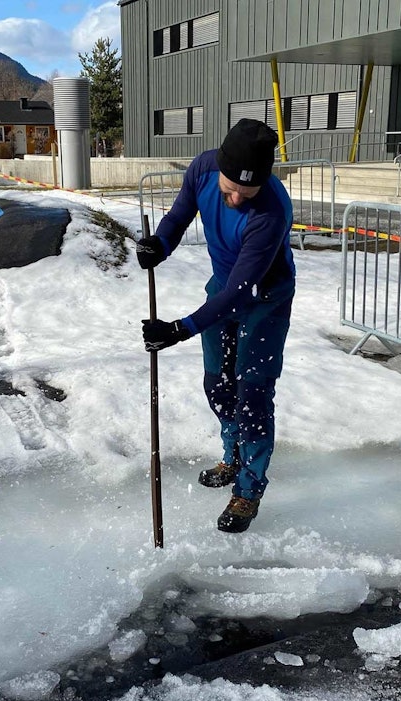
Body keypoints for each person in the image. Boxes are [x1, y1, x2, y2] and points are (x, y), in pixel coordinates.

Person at [138, 118, 295, 534]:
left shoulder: (272, 211)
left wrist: (179, 329)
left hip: (263, 299)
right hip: (223, 287)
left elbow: (242, 291)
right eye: (231, 188)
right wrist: (160, 244)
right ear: (220, 167)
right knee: (218, 385)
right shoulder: (202, 169)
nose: (237, 198)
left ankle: (248, 488)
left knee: (253, 394)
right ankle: (234, 454)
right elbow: (178, 216)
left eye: (248, 191)